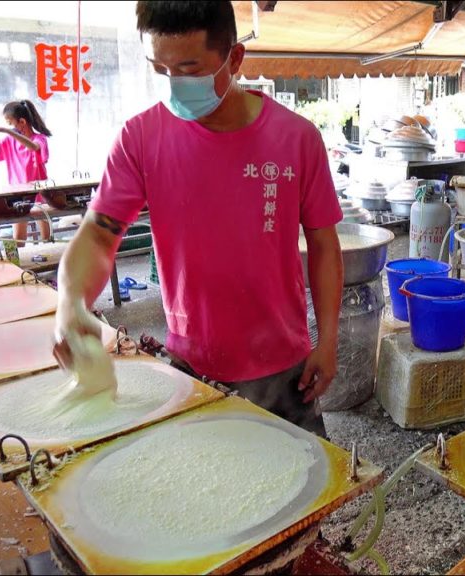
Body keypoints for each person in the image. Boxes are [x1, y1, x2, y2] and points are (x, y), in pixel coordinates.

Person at [53, 1, 343, 436]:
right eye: (161, 70)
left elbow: (323, 243)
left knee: (301, 488)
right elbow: (99, 234)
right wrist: (70, 301)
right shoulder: (140, 138)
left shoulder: (297, 138)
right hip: (192, 362)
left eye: (189, 70)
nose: (175, 85)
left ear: (235, 58)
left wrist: (330, 340)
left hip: (283, 366)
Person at [0, 100, 53, 244]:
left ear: (22, 121)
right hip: (17, 195)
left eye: (10, 123)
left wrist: (6, 131)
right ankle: (18, 265)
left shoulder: (39, 139)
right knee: (18, 240)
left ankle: (48, 259)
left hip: (38, 192)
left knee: (46, 237)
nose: (9, 127)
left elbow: (33, 147)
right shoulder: (9, 140)